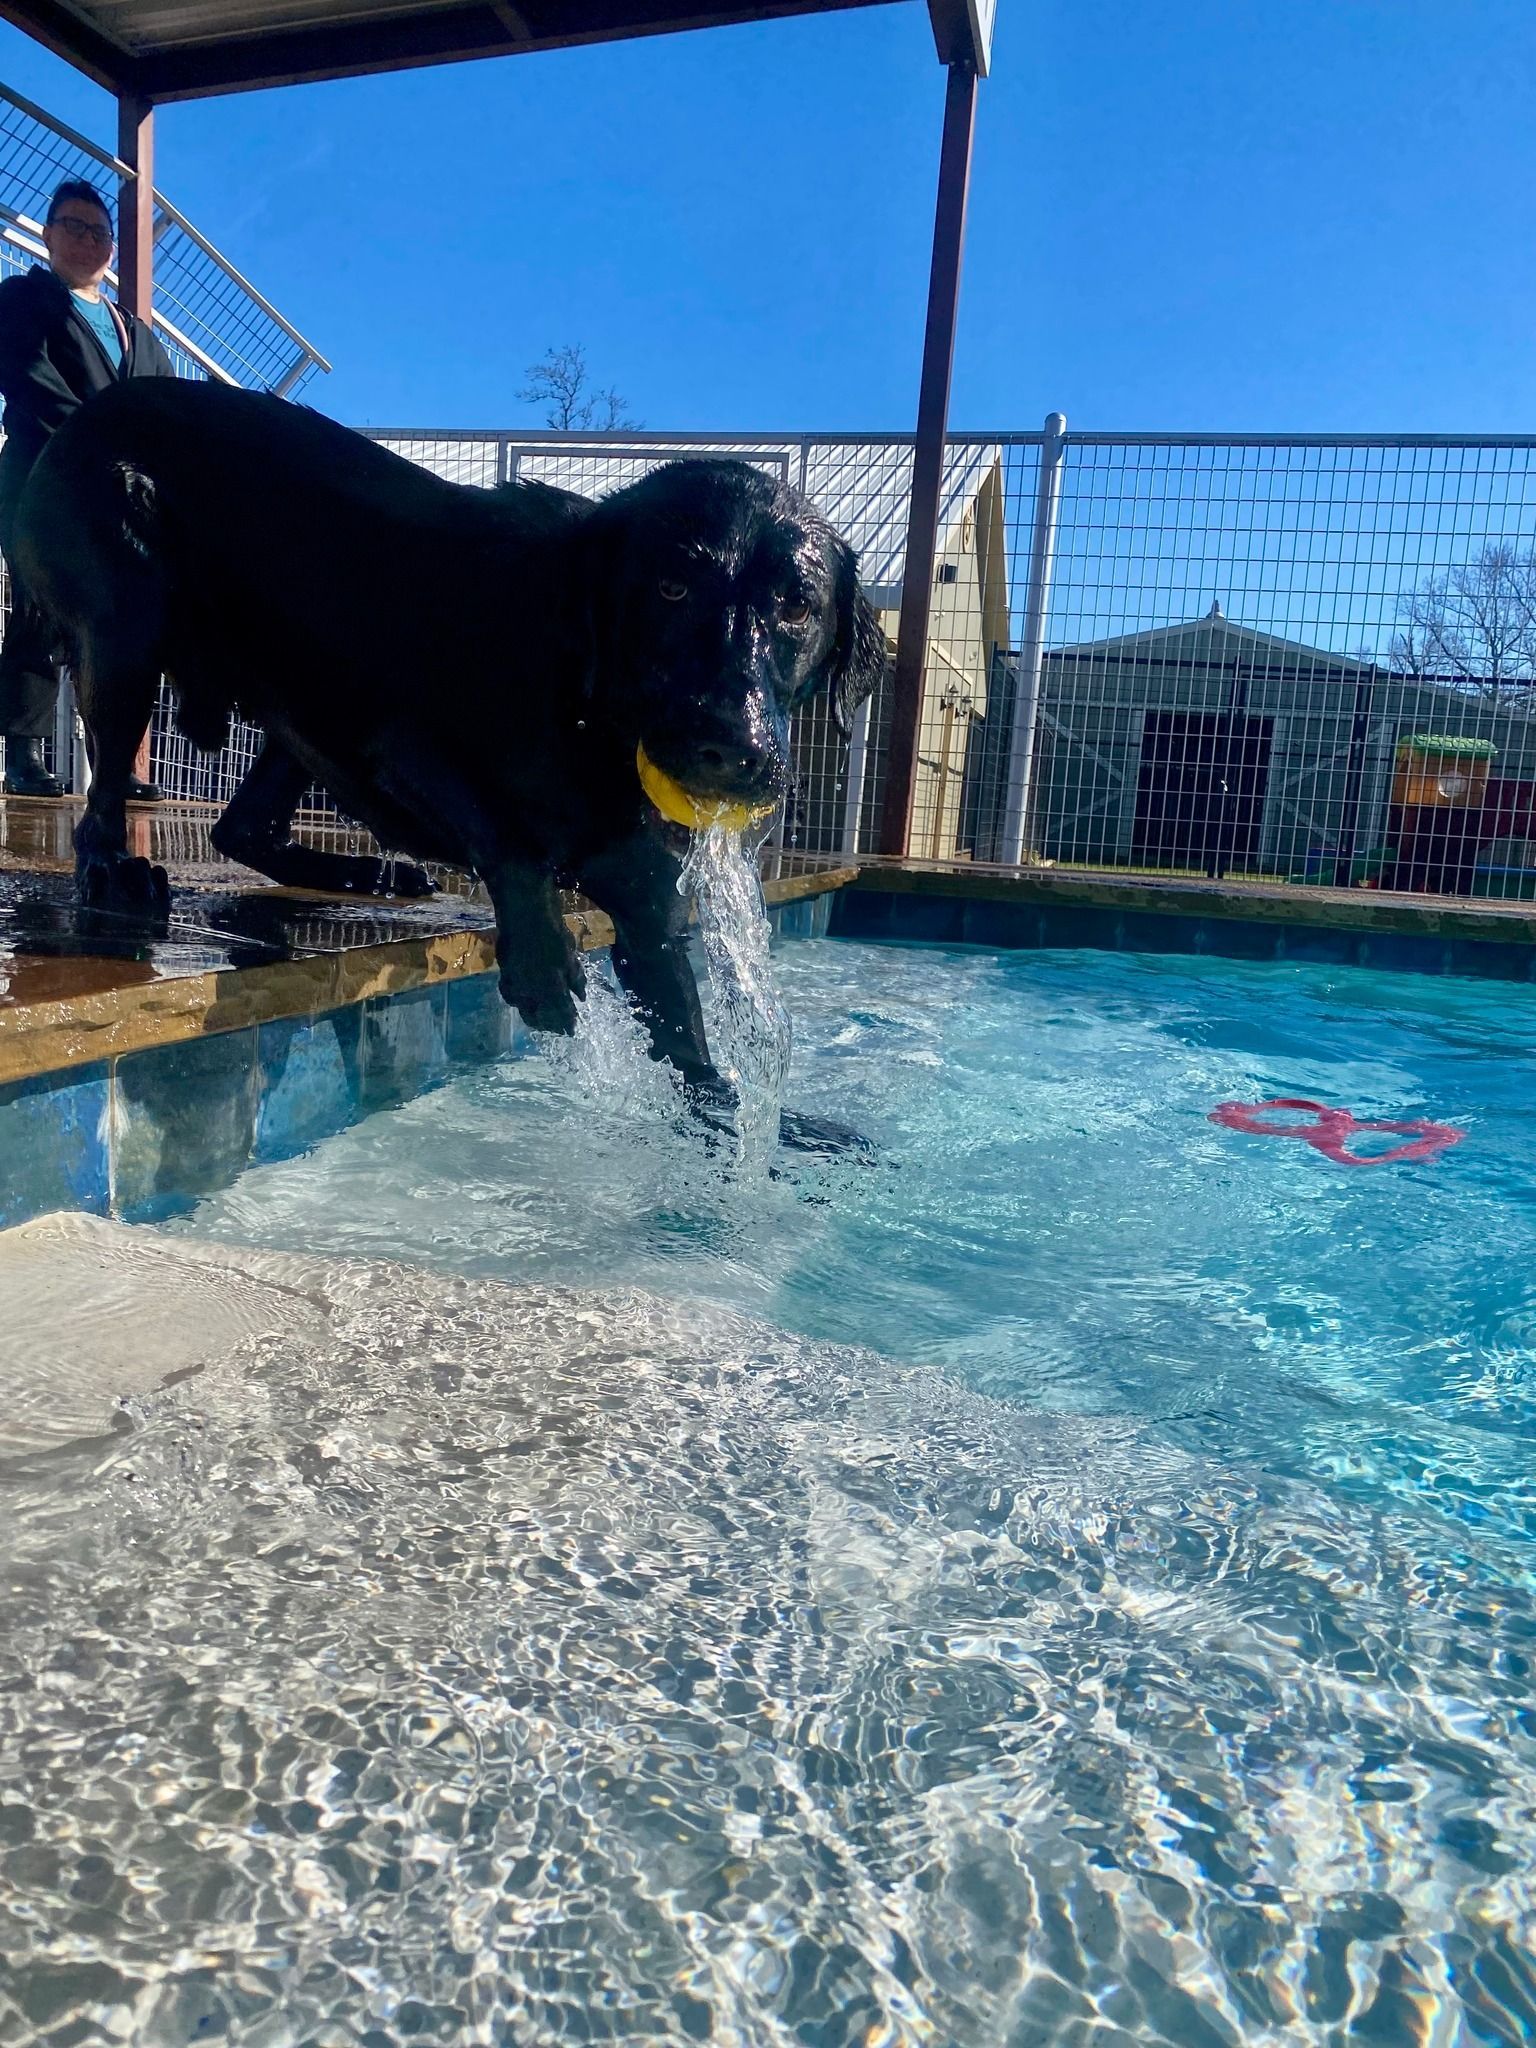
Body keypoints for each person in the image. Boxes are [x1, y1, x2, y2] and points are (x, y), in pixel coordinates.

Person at [0, 177, 174, 797]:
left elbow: (163, 412)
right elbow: (25, 377)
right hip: (41, 483)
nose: (87, 240)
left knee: (113, 624)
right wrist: (94, 443)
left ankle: (114, 761)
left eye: (99, 232)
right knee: (39, 610)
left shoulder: (138, 334)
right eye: (72, 226)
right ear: (47, 236)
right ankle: (22, 755)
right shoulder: (24, 299)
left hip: (118, 499)